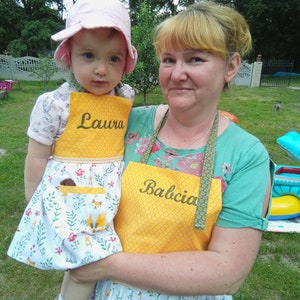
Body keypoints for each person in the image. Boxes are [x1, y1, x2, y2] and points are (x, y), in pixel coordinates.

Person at [68, 1, 273, 300]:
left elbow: (226, 270)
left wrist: (105, 264)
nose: (177, 74)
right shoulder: (126, 123)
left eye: (195, 60)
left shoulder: (246, 156)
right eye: (168, 60)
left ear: (231, 67)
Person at [7, 0, 137, 299]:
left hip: (110, 194)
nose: (101, 69)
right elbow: (37, 155)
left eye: (113, 59)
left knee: (87, 267)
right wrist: (34, 203)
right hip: (70, 194)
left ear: (126, 62)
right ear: (69, 56)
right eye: (88, 56)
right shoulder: (55, 104)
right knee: (86, 267)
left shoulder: (125, 97)